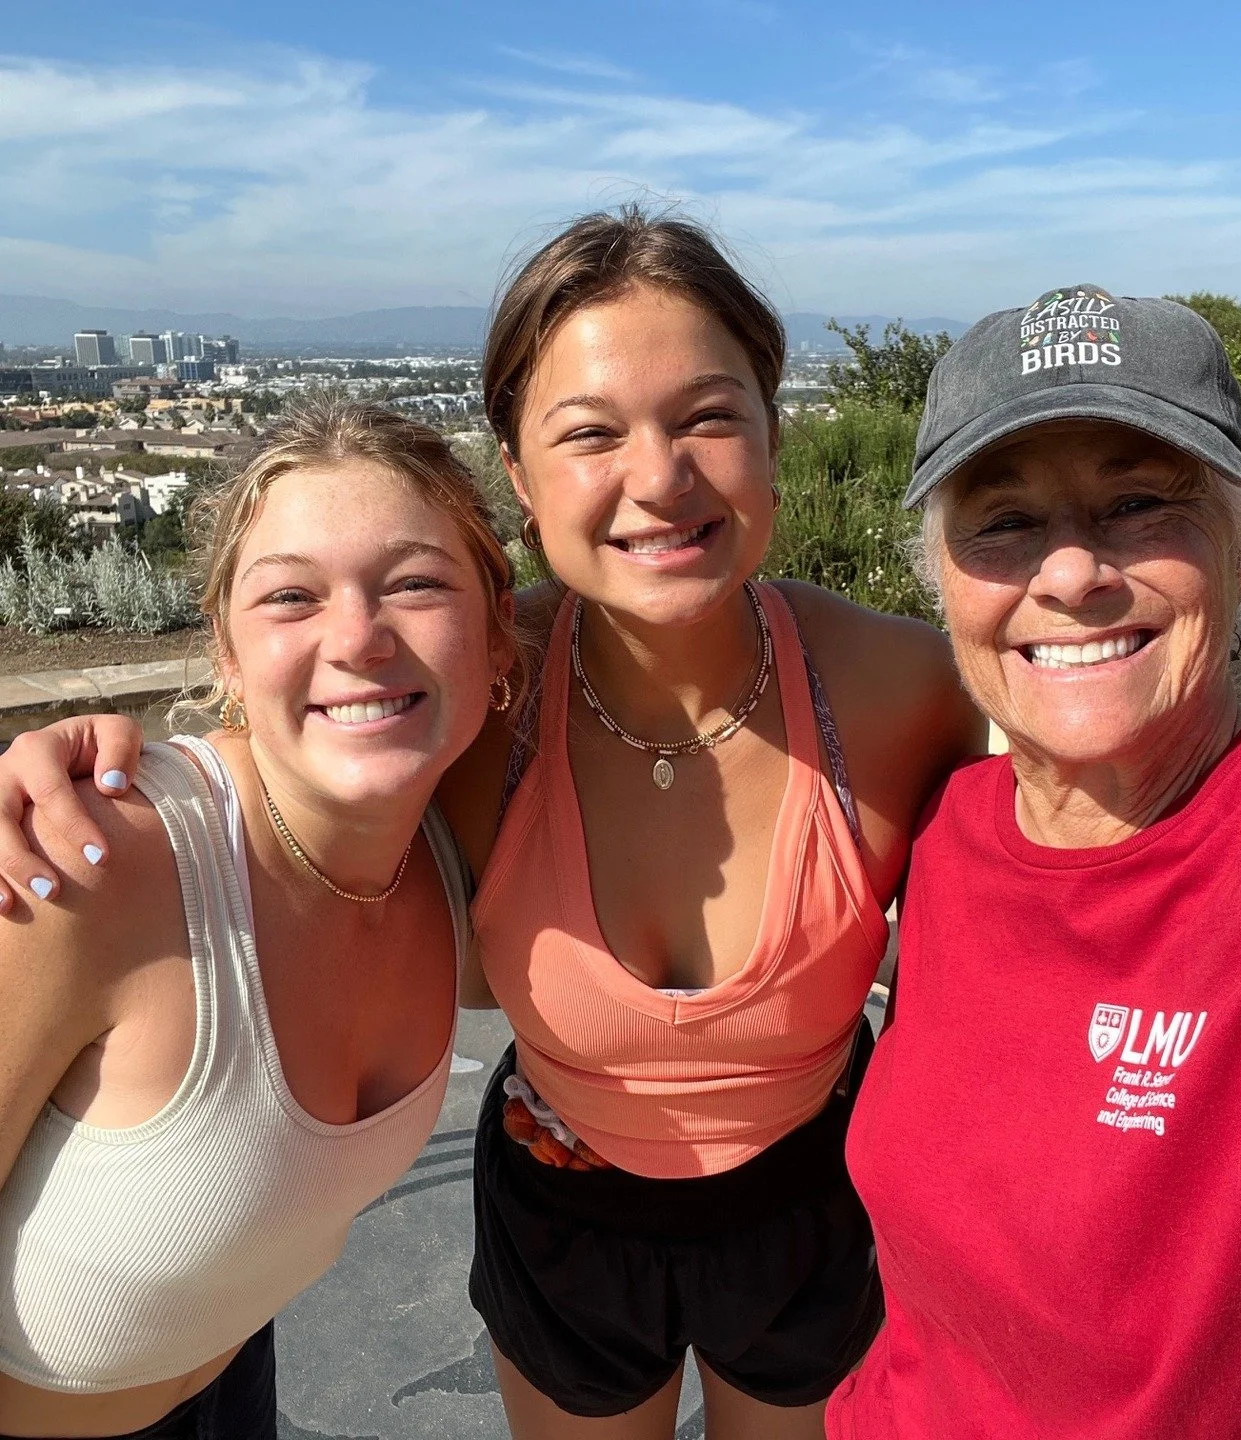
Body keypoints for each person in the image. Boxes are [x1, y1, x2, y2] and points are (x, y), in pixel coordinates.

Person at [0, 210, 987, 1438]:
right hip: (564, 1218)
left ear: (774, 435)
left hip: (812, 1205)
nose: (659, 478)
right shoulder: (472, 687)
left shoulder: (905, 690)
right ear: (519, 475)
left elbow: (1075, 860)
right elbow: (283, 755)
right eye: (589, 434)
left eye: (709, 417)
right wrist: (88, 763)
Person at [826, 285, 1241, 1438]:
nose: (1069, 574)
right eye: (1001, 521)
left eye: (1139, 503)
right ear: (944, 582)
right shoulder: (945, 835)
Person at [0, 398, 516, 1438]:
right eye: (291, 597)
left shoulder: (457, 851)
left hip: (237, 1385)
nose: (360, 638)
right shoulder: (89, 865)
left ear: (501, 638)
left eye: (415, 584)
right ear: (227, 654)